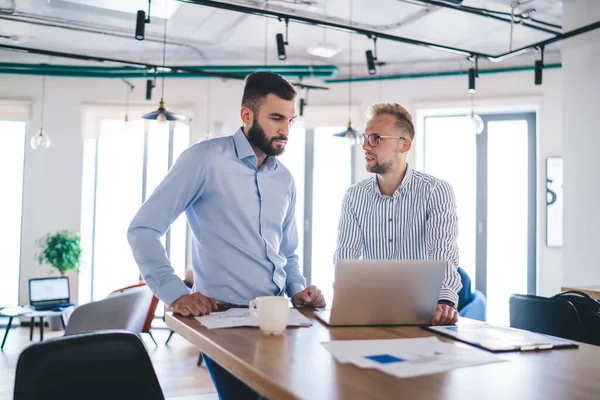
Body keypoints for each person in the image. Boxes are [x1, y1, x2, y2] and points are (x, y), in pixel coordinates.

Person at [127, 71, 325, 399]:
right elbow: (143, 229)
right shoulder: (204, 160)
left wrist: (299, 289)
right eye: (276, 118)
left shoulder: (285, 179)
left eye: (291, 120)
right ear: (246, 115)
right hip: (223, 319)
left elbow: (287, 253)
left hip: (279, 314)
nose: (285, 130)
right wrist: (175, 293)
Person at [333, 103, 462, 325]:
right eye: (364, 138)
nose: (365, 146)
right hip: (370, 314)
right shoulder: (354, 196)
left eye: (375, 138)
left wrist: (444, 301)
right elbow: (345, 258)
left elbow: (443, 253)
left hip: (425, 315)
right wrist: (345, 302)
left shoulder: (435, 191)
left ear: (404, 145)